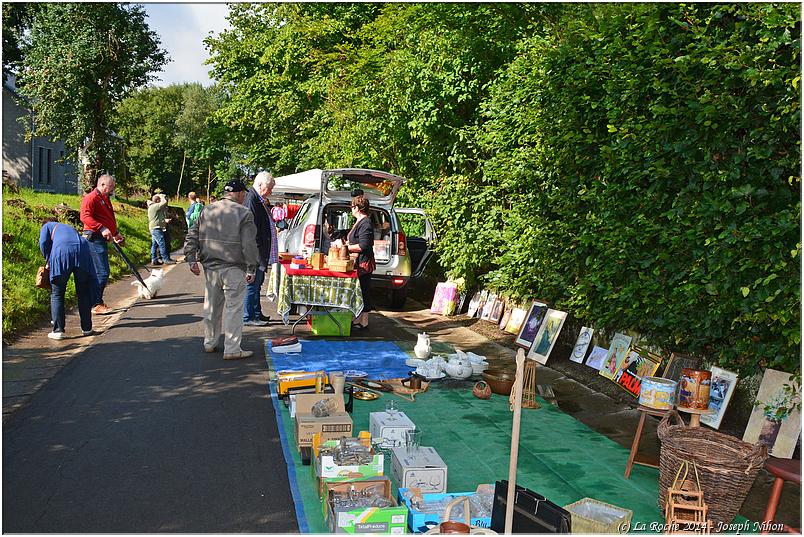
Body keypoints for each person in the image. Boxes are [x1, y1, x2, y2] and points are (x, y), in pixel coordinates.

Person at [183, 178, 259, 360]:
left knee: (211, 307)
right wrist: (251, 268)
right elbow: (248, 244)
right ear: (240, 194)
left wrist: (190, 258)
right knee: (234, 308)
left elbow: (192, 233)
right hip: (234, 267)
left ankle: (210, 342)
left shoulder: (207, 209)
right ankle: (232, 348)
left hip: (210, 267)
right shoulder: (244, 213)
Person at [40, 221, 97, 339]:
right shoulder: (66, 227)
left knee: (57, 293)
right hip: (83, 249)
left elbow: (43, 243)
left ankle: (58, 331)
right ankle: (87, 328)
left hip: (62, 251)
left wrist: (48, 260)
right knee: (83, 292)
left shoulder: (46, 226)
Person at [80, 173, 124, 315]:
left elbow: (107, 218)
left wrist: (115, 233)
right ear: (102, 184)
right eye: (110, 187)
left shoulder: (104, 198)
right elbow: (85, 217)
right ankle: (96, 304)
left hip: (102, 238)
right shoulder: (91, 198)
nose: (112, 190)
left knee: (102, 272)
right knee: (102, 272)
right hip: (93, 238)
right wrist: (101, 228)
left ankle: (96, 301)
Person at [243, 171, 277, 326]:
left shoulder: (258, 199)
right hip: (255, 251)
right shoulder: (252, 199)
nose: (270, 191)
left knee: (257, 284)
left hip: (259, 251)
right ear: (260, 184)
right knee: (252, 284)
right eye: (269, 188)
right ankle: (248, 317)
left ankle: (256, 313)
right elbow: (251, 228)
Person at [346, 195, 375, 329]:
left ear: (357, 208)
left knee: (363, 290)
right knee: (359, 291)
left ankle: (364, 322)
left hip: (363, 263)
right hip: (357, 262)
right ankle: (357, 319)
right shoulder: (360, 221)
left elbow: (364, 245)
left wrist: (346, 248)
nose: (351, 209)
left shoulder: (366, 223)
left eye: (352, 207)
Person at [147, 193, 175, 265]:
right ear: (157, 201)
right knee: (162, 244)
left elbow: (157, 217)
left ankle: (154, 259)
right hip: (156, 228)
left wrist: (164, 220)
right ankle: (165, 259)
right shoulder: (154, 206)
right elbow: (164, 202)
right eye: (159, 200)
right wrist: (162, 196)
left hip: (154, 227)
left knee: (154, 244)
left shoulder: (152, 207)